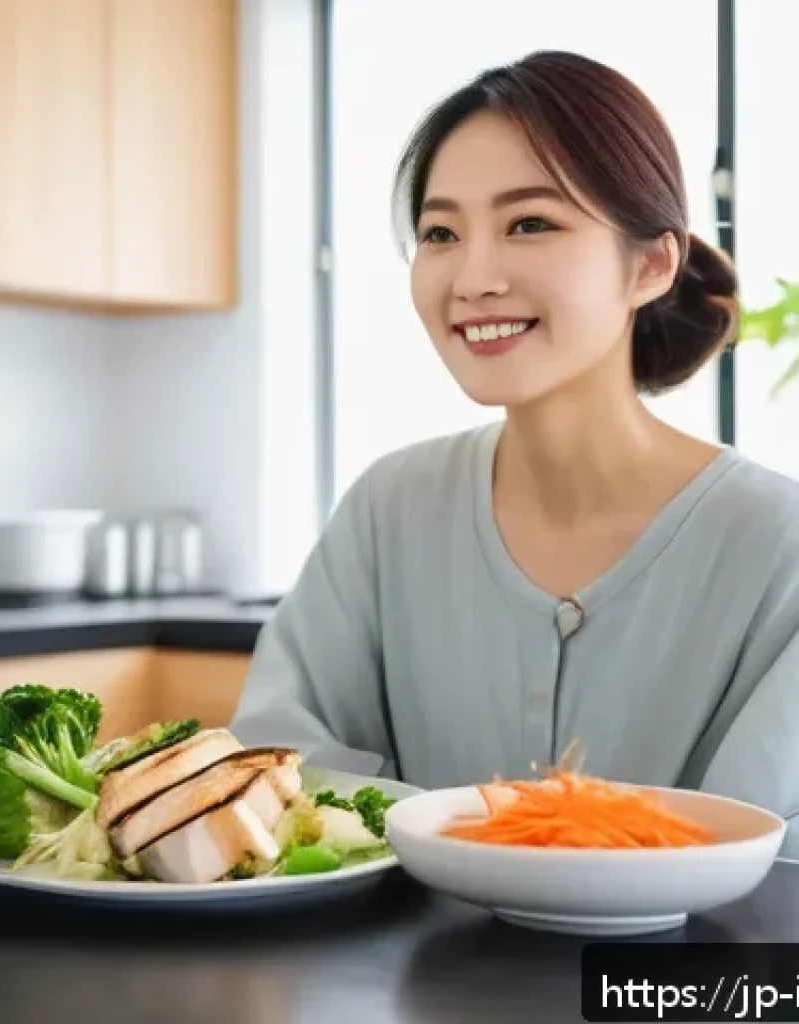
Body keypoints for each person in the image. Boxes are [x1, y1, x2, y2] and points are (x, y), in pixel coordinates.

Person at [231, 49, 799, 855]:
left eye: (530, 223)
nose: (473, 276)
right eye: (440, 232)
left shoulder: (780, 547)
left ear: (650, 264)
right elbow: (282, 777)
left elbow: (772, 864)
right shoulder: (389, 511)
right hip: (401, 980)